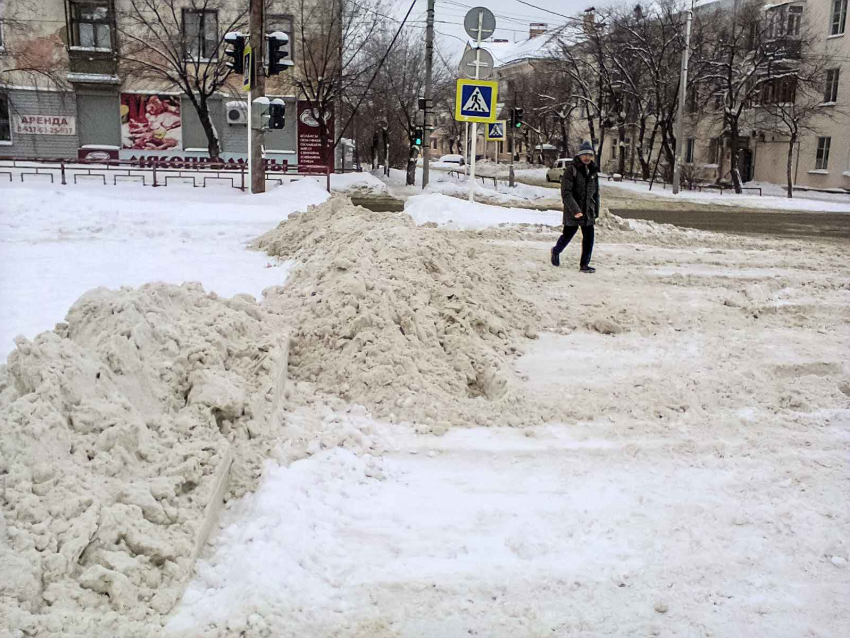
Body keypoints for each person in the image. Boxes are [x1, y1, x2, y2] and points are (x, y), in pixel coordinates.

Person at [551, 140, 599, 273]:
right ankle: (556, 251)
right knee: (568, 235)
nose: (587, 158)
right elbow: (566, 193)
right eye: (585, 155)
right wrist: (576, 211)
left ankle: (584, 265)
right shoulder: (571, 170)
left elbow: (596, 193)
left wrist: (596, 210)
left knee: (589, 238)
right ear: (579, 155)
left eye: (590, 155)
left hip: (588, 211)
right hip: (573, 211)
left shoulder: (593, 171)